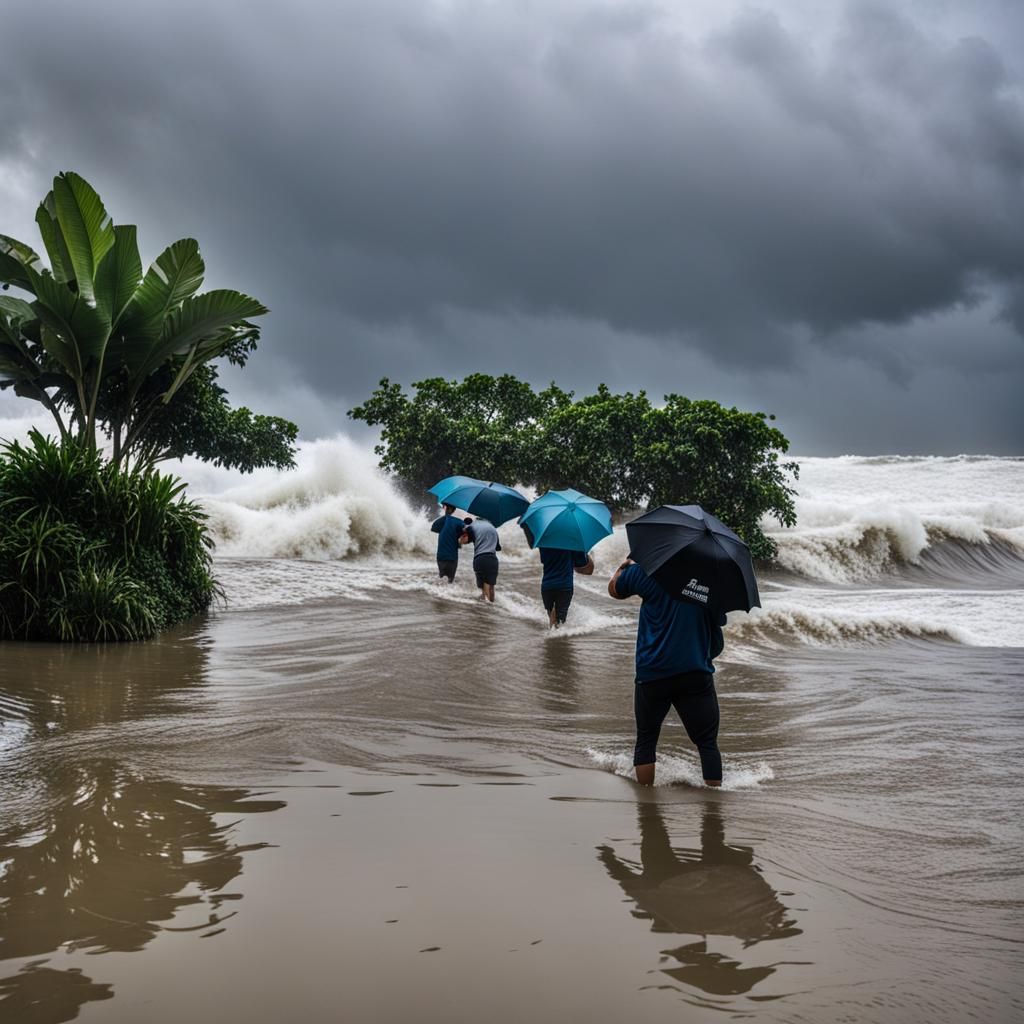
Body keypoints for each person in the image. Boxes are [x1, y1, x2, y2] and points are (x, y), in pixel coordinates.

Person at [608, 557, 727, 787]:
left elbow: (614, 590)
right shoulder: (710, 580)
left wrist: (623, 567)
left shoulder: (648, 570)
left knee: (646, 739)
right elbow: (717, 638)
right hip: (695, 673)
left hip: (652, 672)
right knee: (707, 743)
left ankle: (646, 803)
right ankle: (713, 810)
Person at [538, 547, 594, 627]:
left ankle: (551, 636)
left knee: (552, 617)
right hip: (564, 586)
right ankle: (554, 638)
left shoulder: (545, 543)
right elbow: (582, 564)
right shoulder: (572, 543)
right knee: (560, 621)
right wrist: (585, 552)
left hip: (547, 586)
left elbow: (543, 560)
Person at [459, 516, 501, 603]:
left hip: (480, 559)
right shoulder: (492, 527)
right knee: (490, 587)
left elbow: (466, 540)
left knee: (484, 591)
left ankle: (484, 613)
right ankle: (491, 611)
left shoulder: (472, 526)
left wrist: (460, 541)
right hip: (493, 560)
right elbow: (498, 547)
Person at [430, 502, 463, 582]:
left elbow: (433, 528)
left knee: (442, 579)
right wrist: (458, 539)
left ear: (445, 508)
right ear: (453, 510)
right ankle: (448, 594)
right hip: (451, 557)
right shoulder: (458, 522)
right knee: (450, 580)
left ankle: (440, 594)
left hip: (440, 556)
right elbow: (467, 530)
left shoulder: (439, 522)